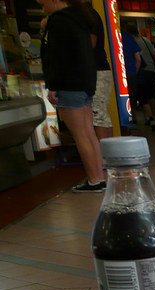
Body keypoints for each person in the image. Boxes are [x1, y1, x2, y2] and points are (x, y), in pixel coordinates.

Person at [37, 0, 103, 192]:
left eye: (43, 4)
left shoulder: (59, 21)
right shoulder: (81, 18)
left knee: (80, 135)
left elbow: (57, 57)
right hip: (85, 83)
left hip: (69, 84)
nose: (43, 8)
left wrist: (53, 85)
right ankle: (99, 177)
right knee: (89, 133)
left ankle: (93, 180)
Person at [80, 0, 112, 140]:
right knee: (101, 115)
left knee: (97, 115)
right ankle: (109, 155)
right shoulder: (89, 13)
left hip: (97, 71)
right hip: (99, 70)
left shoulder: (87, 14)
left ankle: (103, 156)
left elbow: (89, 44)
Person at [126, 22, 155, 131]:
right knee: (150, 96)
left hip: (137, 72)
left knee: (135, 97)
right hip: (150, 70)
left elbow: (137, 59)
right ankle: (153, 117)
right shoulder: (146, 40)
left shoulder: (128, 42)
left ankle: (134, 117)